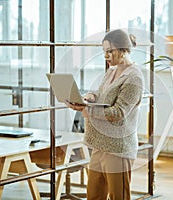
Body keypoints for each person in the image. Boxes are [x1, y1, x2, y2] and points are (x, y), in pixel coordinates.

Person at [65, 29, 144, 200]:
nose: (106, 56)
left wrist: (85, 109)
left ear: (123, 50)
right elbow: (101, 94)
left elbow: (118, 113)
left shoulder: (134, 78)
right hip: (100, 144)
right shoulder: (112, 71)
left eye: (110, 51)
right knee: (94, 196)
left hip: (118, 148)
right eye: (104, 52)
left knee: (118, 197)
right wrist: (88, 97)